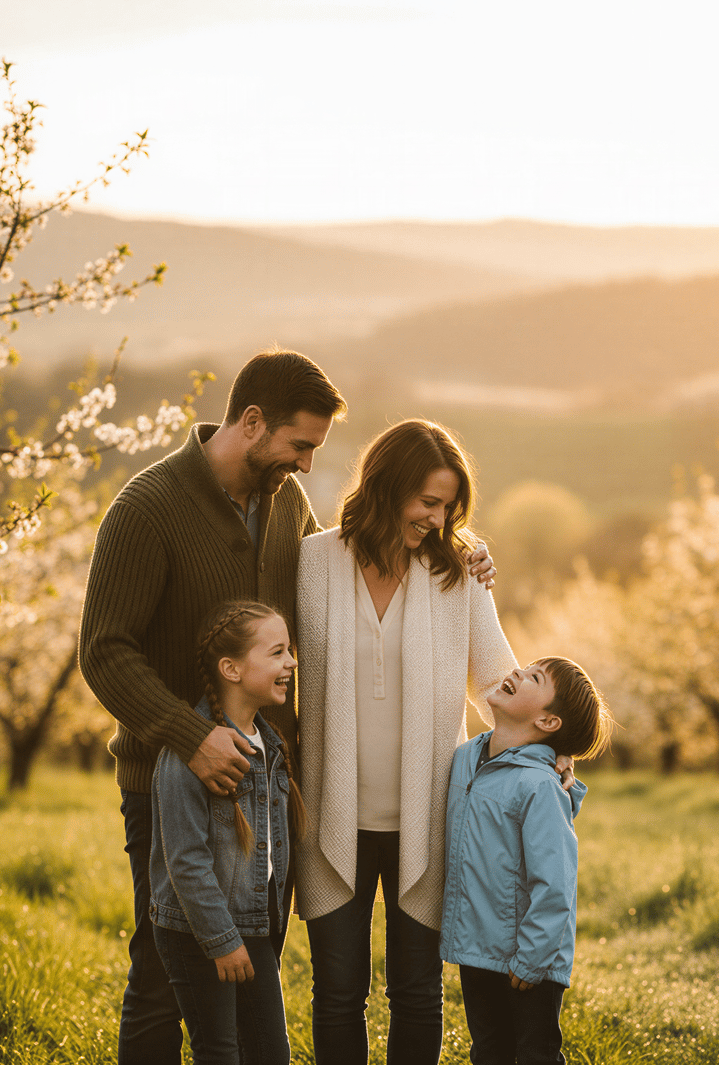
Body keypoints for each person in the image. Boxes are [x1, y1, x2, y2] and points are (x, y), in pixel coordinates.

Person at [79, 349, 494, 1064]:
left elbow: (348, 583)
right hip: (172, 783)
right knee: (162, 969)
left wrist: (464, 552)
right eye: (300, 445)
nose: (306, 465)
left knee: (252, 966)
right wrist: (190, 738)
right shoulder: (147, 508)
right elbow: (105, 651)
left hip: (266, 789)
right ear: (250, 422)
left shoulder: (284, 507)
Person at [295, 419, 570, 1065]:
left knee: (415, 992)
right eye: (428, 502)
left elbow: (500, 683)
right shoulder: (311, 562)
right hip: (332, 814)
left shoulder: (456, 575)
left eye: (448, 507)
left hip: (428, 817)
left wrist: (551, 748)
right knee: (337, 992)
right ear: (388, 487)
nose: (438, 518)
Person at [439, 657, 613, 1065]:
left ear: (549, 723)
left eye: (534, 677)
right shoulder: (466, 757)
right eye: (527, 666)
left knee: (535, 1054)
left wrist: (532, 957)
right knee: (488, 1052)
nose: (516, 671)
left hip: (528, 958)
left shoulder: (539, 787)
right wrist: (560, 753)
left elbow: (555, 884)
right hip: (477, 948)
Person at [150, 602, 301, 1065]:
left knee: (270, 1053)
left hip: (253, 925)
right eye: (277, 653)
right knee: (220, 1052)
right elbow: (186, 861)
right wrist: (222, 940)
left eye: (290, 650)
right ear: (231, 669)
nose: (292, 663)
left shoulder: (270, 745)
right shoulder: (192, 754)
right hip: (200, 932)